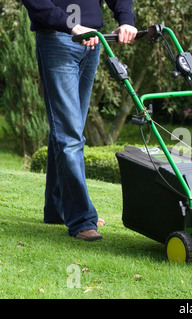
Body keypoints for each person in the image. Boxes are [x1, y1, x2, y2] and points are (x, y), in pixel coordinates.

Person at [21, 1, 137, 241]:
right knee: (70, 135)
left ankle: (58, 209)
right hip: (57, 38)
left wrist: (126, 19)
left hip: (93, 42)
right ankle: (82, 219)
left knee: (66, 132)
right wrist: (70, 25)